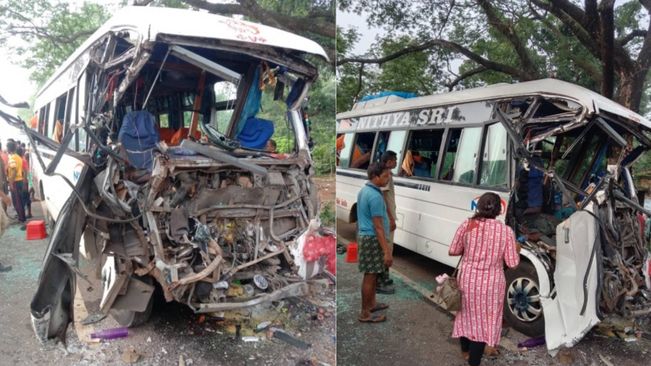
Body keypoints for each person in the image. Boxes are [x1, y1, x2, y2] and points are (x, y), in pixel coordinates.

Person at [448, 192, 520, 366]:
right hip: (492, 284)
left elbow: (453, 251)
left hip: (468, 281)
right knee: (483, 322)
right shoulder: (505, 231)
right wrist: (516, 249)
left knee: (466, 315)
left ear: (478, 206)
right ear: (498, 210)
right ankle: (473, 361)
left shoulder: (467, 224)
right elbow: (513, 263)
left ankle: (465, 351)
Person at [356, 162, 393, 323]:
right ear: (375, 176)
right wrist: (386, 251)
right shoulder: (375, 196)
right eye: (385, 176)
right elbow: (378, 227)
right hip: (372, 239)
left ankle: (371, 304)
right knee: (370, 276)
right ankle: (365, 313)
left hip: (367, 237)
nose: (388, 179)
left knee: (373, 274)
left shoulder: (366, 190)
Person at [377, 150, 398, 294]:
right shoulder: (386, 175)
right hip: (386, 217)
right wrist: (390, 218)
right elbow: (384, 197)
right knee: (386, 250)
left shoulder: (382, 173)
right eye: (395, 160)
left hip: (386, 217)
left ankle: (384, 278)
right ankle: (381, 281)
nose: (396, 162)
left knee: (387, 249)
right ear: (389, 161)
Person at [6, 140, 26, 230]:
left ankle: (21, 219)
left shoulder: (12, 158)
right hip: (20, 180)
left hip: (15, 181)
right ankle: (22, 217)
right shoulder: (18, 157)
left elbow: (13, 170)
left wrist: (10, 182)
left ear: (8, 148)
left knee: (16, 201)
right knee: (20, 200)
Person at [16, 146, 32, 218]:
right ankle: (28, 213)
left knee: (25, 198)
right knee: (26, 198)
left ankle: (27, 213)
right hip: (25, 181)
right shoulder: (23, 160)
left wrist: (25, 183)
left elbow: (25, 172)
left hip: (24, 181)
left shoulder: (22, 160)